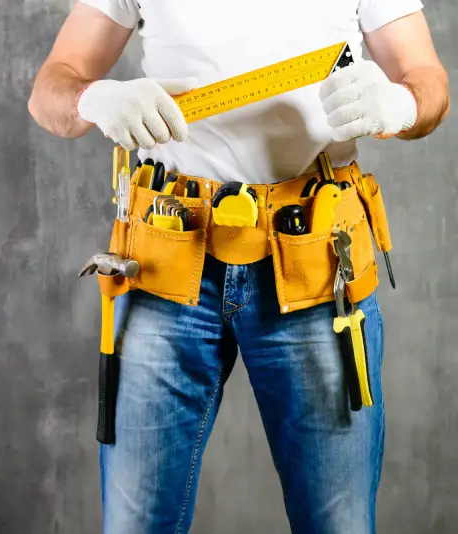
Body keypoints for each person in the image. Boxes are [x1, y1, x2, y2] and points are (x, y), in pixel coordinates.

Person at [28, 1, 450, 533]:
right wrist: (92, 97)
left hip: (316, 267)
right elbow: (50, 91)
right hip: (165, 261)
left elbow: (429, 81)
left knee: (339, 525)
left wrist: (402, 105)